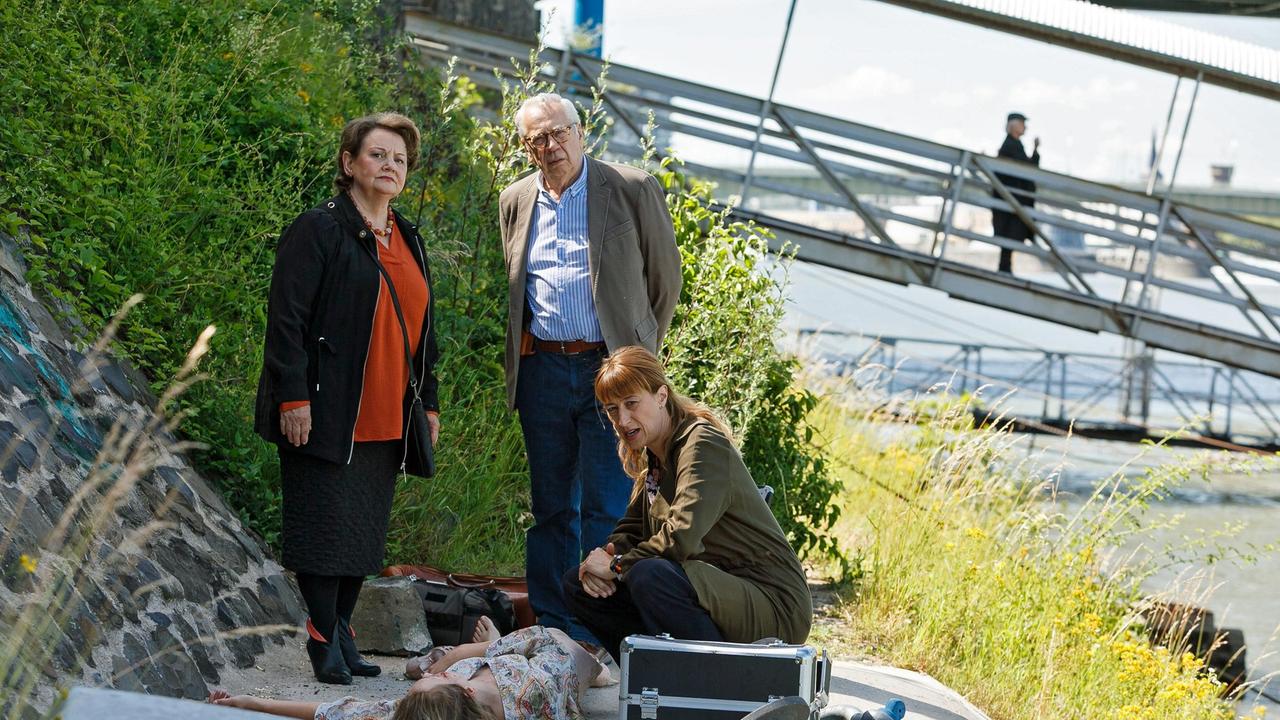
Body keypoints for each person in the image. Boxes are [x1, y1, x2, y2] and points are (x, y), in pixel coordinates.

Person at [253, 112, 441, 685]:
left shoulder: (408, 237)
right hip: (325, 406)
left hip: (389, 408)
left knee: (361, 532)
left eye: (400, 159)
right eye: (378, 155)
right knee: (321, 525)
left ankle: (343, 628)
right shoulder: (319, 229)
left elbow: (426, 331)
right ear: (349, 163)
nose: (390, 166)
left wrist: (428, 403)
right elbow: (286, 321)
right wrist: (291, 398)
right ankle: (319, 633)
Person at [497, 93, 682, 650]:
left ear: (582, 132)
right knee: (551, 506)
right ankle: (553, 625)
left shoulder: (630, 187)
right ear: (525, 148)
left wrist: (636, 356)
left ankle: (597, 630)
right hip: (543, 369)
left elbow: (664, 281)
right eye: (537, 139)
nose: (551, 146)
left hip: (611, 372)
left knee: (607, 503)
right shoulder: (514, 199)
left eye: (559, 133)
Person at [562, 347, 812, 664]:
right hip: (711, 589)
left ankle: (720, 679)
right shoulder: (656, 456)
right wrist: (600, 560)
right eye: (612, 410)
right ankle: (655, 676)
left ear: (662, 396)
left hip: (773, 602)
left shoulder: (701, 444)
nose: (623, 420)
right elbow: (631, 531)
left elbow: (680, 538)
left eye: (631, 403)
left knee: (649, 575)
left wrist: (615, 567)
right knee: (578, 583)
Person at [207, 619, 602, 720]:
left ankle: (452, 654)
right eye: (440, 678)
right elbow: (547, 639)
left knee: (420, 665)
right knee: (565, 643)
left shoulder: (431, 708)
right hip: (560, 656)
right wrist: (476, 648)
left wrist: (250, 702)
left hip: (487, 666)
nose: (439, 676)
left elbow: (337, 711)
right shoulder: (532, 688)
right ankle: (486, 643)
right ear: (463, 691)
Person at [991, 111, 1041, 273]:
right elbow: (1027, 170)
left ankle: (1005, 267)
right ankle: (1005, 268)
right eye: (1022, 123)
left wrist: (1035, 150)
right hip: (1012, 199)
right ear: (1013, 126)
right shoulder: (1011, 146)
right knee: (1011, 231)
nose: (1025, 126)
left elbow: (1027, 168)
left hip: (1012, 198)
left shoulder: (1013, 144)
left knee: (1011, 233)